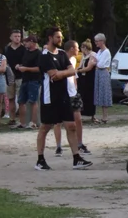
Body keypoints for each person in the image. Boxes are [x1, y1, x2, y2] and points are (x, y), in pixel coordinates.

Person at [35, 27, 91, 171]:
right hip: (50, 97)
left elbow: (72, 70)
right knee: (45, 127)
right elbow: (55, 74)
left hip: (64, 95)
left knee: (71, 126)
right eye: (58, 37)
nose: (60, 39)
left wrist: (63, 72)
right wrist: (65, 72)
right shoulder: (44, 55)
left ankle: (76, 158)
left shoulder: (61, 54)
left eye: (61, 37)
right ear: (50, 38)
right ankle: (40, 159)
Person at [64, 40, 92, 157]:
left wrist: (75, 89)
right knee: (59, 123)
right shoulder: (62, 59)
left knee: (78, 120)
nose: (78, 50)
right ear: (71, 49)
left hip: (73, 93)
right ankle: (59, 146)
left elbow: (74, 76)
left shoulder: (74, 60)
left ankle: (80, 144)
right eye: (76, 48)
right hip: (64, 94)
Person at [15, 34, 42, 129]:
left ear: (32, 42)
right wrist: (20, 66)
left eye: (26, 41)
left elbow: (39, 68)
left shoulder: (38, 53)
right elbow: (25, 63)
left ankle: (33, 122)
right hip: (25, 79)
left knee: (33, 101)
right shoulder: (26, 52)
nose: (25, 43)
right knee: (21, 101)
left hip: (34, 80)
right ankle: (23, 123)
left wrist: (26, 68)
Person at [93, 34, 113, 123]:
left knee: (104, 93)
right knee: (100, 93)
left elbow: (100, 64)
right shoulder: (100, 51)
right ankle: (103, 115)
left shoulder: (106, 52)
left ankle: (105, 116)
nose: (96, 43)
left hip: (103, 73)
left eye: (97, 41)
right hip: (98, 73)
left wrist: (95, 61)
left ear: (102, 41)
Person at [4, 30, 23, 120]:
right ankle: (12, 119)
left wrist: (21, 65)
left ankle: (22, 120)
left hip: (20, 77)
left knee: (21, 99)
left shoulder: (23, 49)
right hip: (9, 78)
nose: (17, 38)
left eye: (19, 36)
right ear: (11, 38)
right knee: (10, 98)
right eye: (15, 36)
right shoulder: (7, 49)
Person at [77, 40, 97, 121]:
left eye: (82, 47)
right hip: (83, 78)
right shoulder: (83, 56)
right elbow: (81, 65)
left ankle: (92, 114)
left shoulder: (93, 55)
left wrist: (79, 71)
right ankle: (81, 113)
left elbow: (89, 67)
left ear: (85, 48)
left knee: (90, 96)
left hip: (90, 78)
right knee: (82, 95)